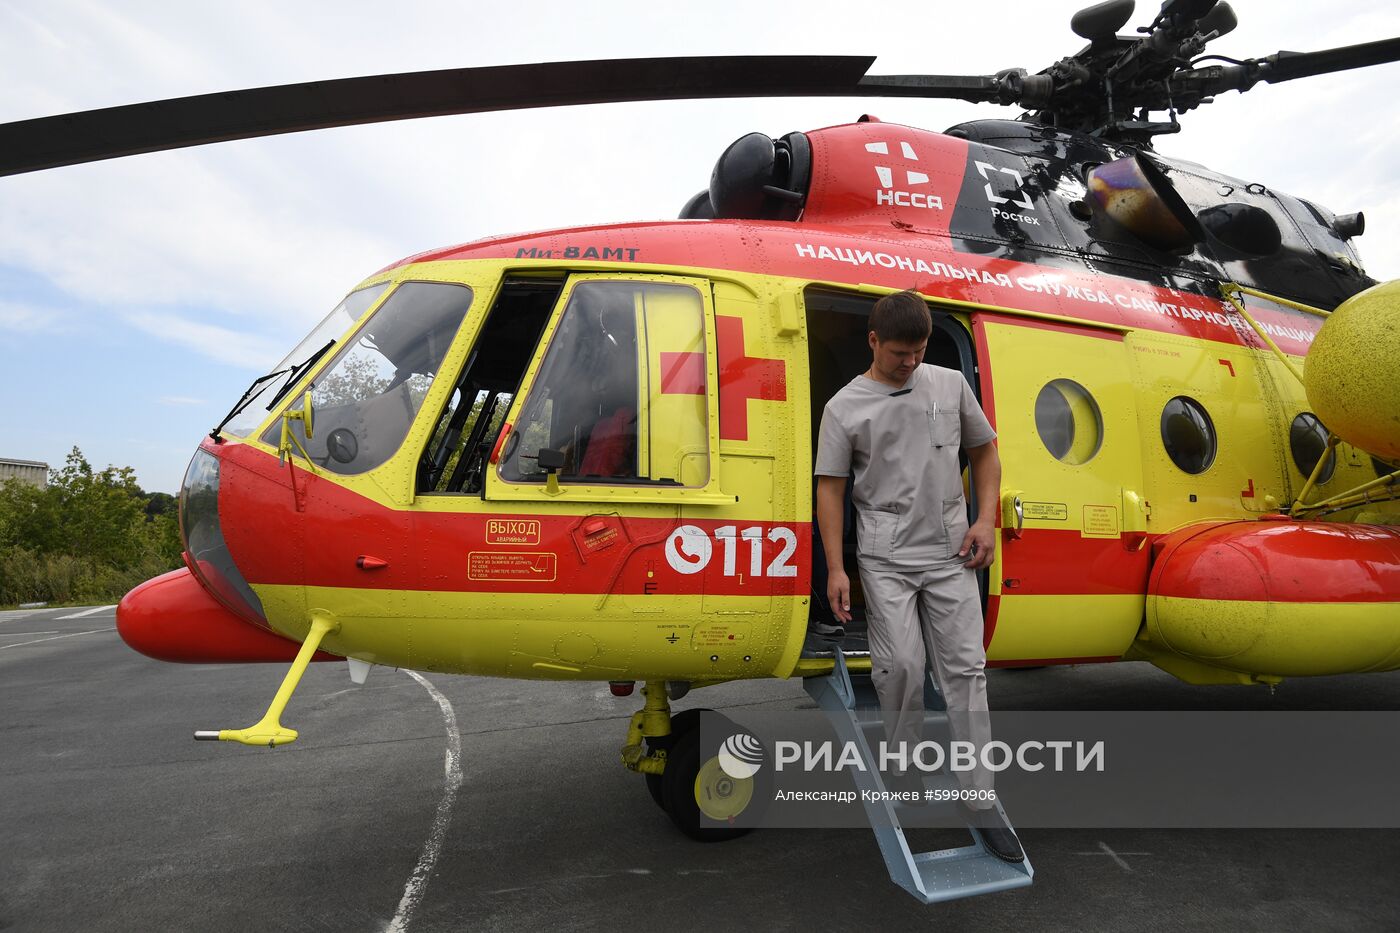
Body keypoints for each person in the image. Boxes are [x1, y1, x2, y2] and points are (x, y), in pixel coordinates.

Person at [813, 289, 1023, 863]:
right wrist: (837, 566)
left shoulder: (949, 386)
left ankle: (979, 797)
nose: (910, 362)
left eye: (919, 351)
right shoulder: (845, 407)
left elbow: (985, 452)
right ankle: (903, 772)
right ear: (874, 341)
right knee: (901, 666)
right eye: (899, 352)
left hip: (952, 552)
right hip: (885, 560)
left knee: (966, 670)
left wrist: (985, 519)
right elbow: (830, 488)